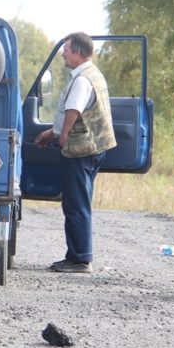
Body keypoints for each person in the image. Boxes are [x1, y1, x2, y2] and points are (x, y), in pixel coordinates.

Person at [34, 32, 117, 274]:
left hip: (80, 150)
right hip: (94, 148)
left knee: (76, 204)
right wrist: (52, 132)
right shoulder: (94, 74)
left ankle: (80, 259)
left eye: (67, 49)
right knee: (79, 202)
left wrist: (62, 135)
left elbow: (73, 110)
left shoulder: (81, 80)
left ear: (78, 52)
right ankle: (76, 255)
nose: (63, 54)